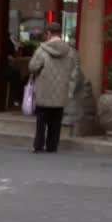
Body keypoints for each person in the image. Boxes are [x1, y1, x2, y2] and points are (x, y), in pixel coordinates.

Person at [27, 22, 81, 154]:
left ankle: (38, 145)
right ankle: (52, 146)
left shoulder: (42, 50)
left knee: (41, 121)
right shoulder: (71, 52)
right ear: (60, 34)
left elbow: (33, 67)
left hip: (44, 91)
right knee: (56, 121)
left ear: (49, 33)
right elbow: (75, 71)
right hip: (61, 92)